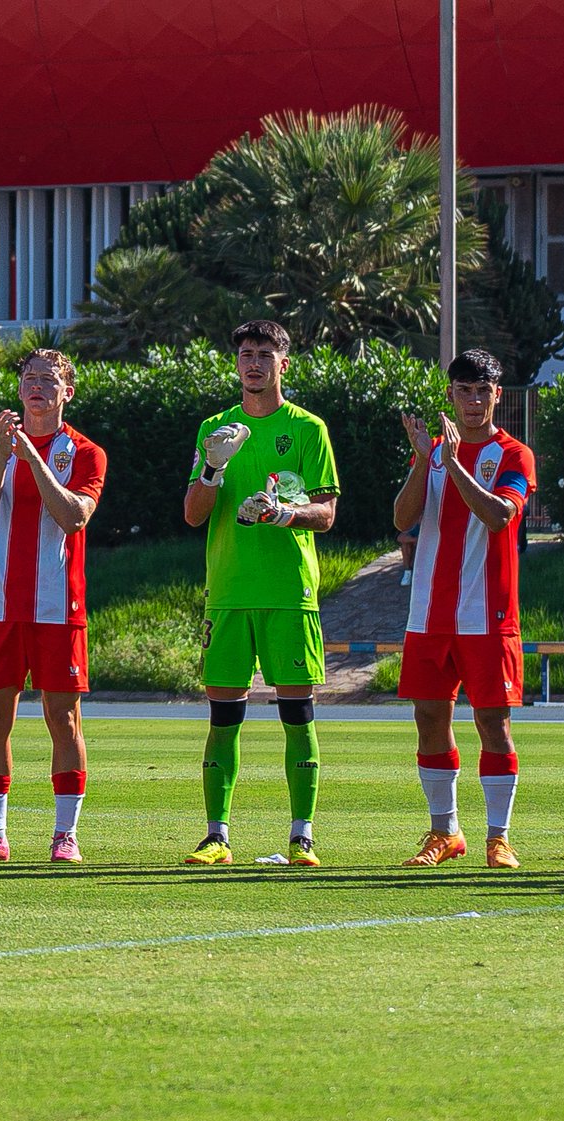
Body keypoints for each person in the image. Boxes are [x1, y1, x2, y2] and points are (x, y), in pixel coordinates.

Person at [182, 320, 340, 867]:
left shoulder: (307, 429)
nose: (254, 363)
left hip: (288, 592)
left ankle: (302, 836)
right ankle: (217, 836)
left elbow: (326, 515)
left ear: (284, 364)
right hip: (227, 591)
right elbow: (193, 515)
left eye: (265, 355)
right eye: (246, 354)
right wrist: (212, 467)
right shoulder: (215, 427)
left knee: (297, 713)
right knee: (223, 716)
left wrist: (284, 513)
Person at [0, 349, 107, 865]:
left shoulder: (85, 452)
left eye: (49, 379)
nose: (36, 386)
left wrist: (34, 458)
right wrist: (1, 454)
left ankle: (65, 835)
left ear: (67, 392)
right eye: (29, 379)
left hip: (58, 608)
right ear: (19, 390)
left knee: (63, 719)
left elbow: (73, 517)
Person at [394, 349, 536, 869]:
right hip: (428, 613)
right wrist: (421, 460)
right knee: (429, 717)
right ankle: (444, 832)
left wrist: (452, 463)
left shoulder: (515, 455)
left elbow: (500, 516)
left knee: (492, 723)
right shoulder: (432, 452)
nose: (474, 402)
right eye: (464, 392)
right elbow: (402, 519)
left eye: (483, 392)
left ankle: (498, 837)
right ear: (450, 396)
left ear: (497, 395)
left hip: (489, 614)